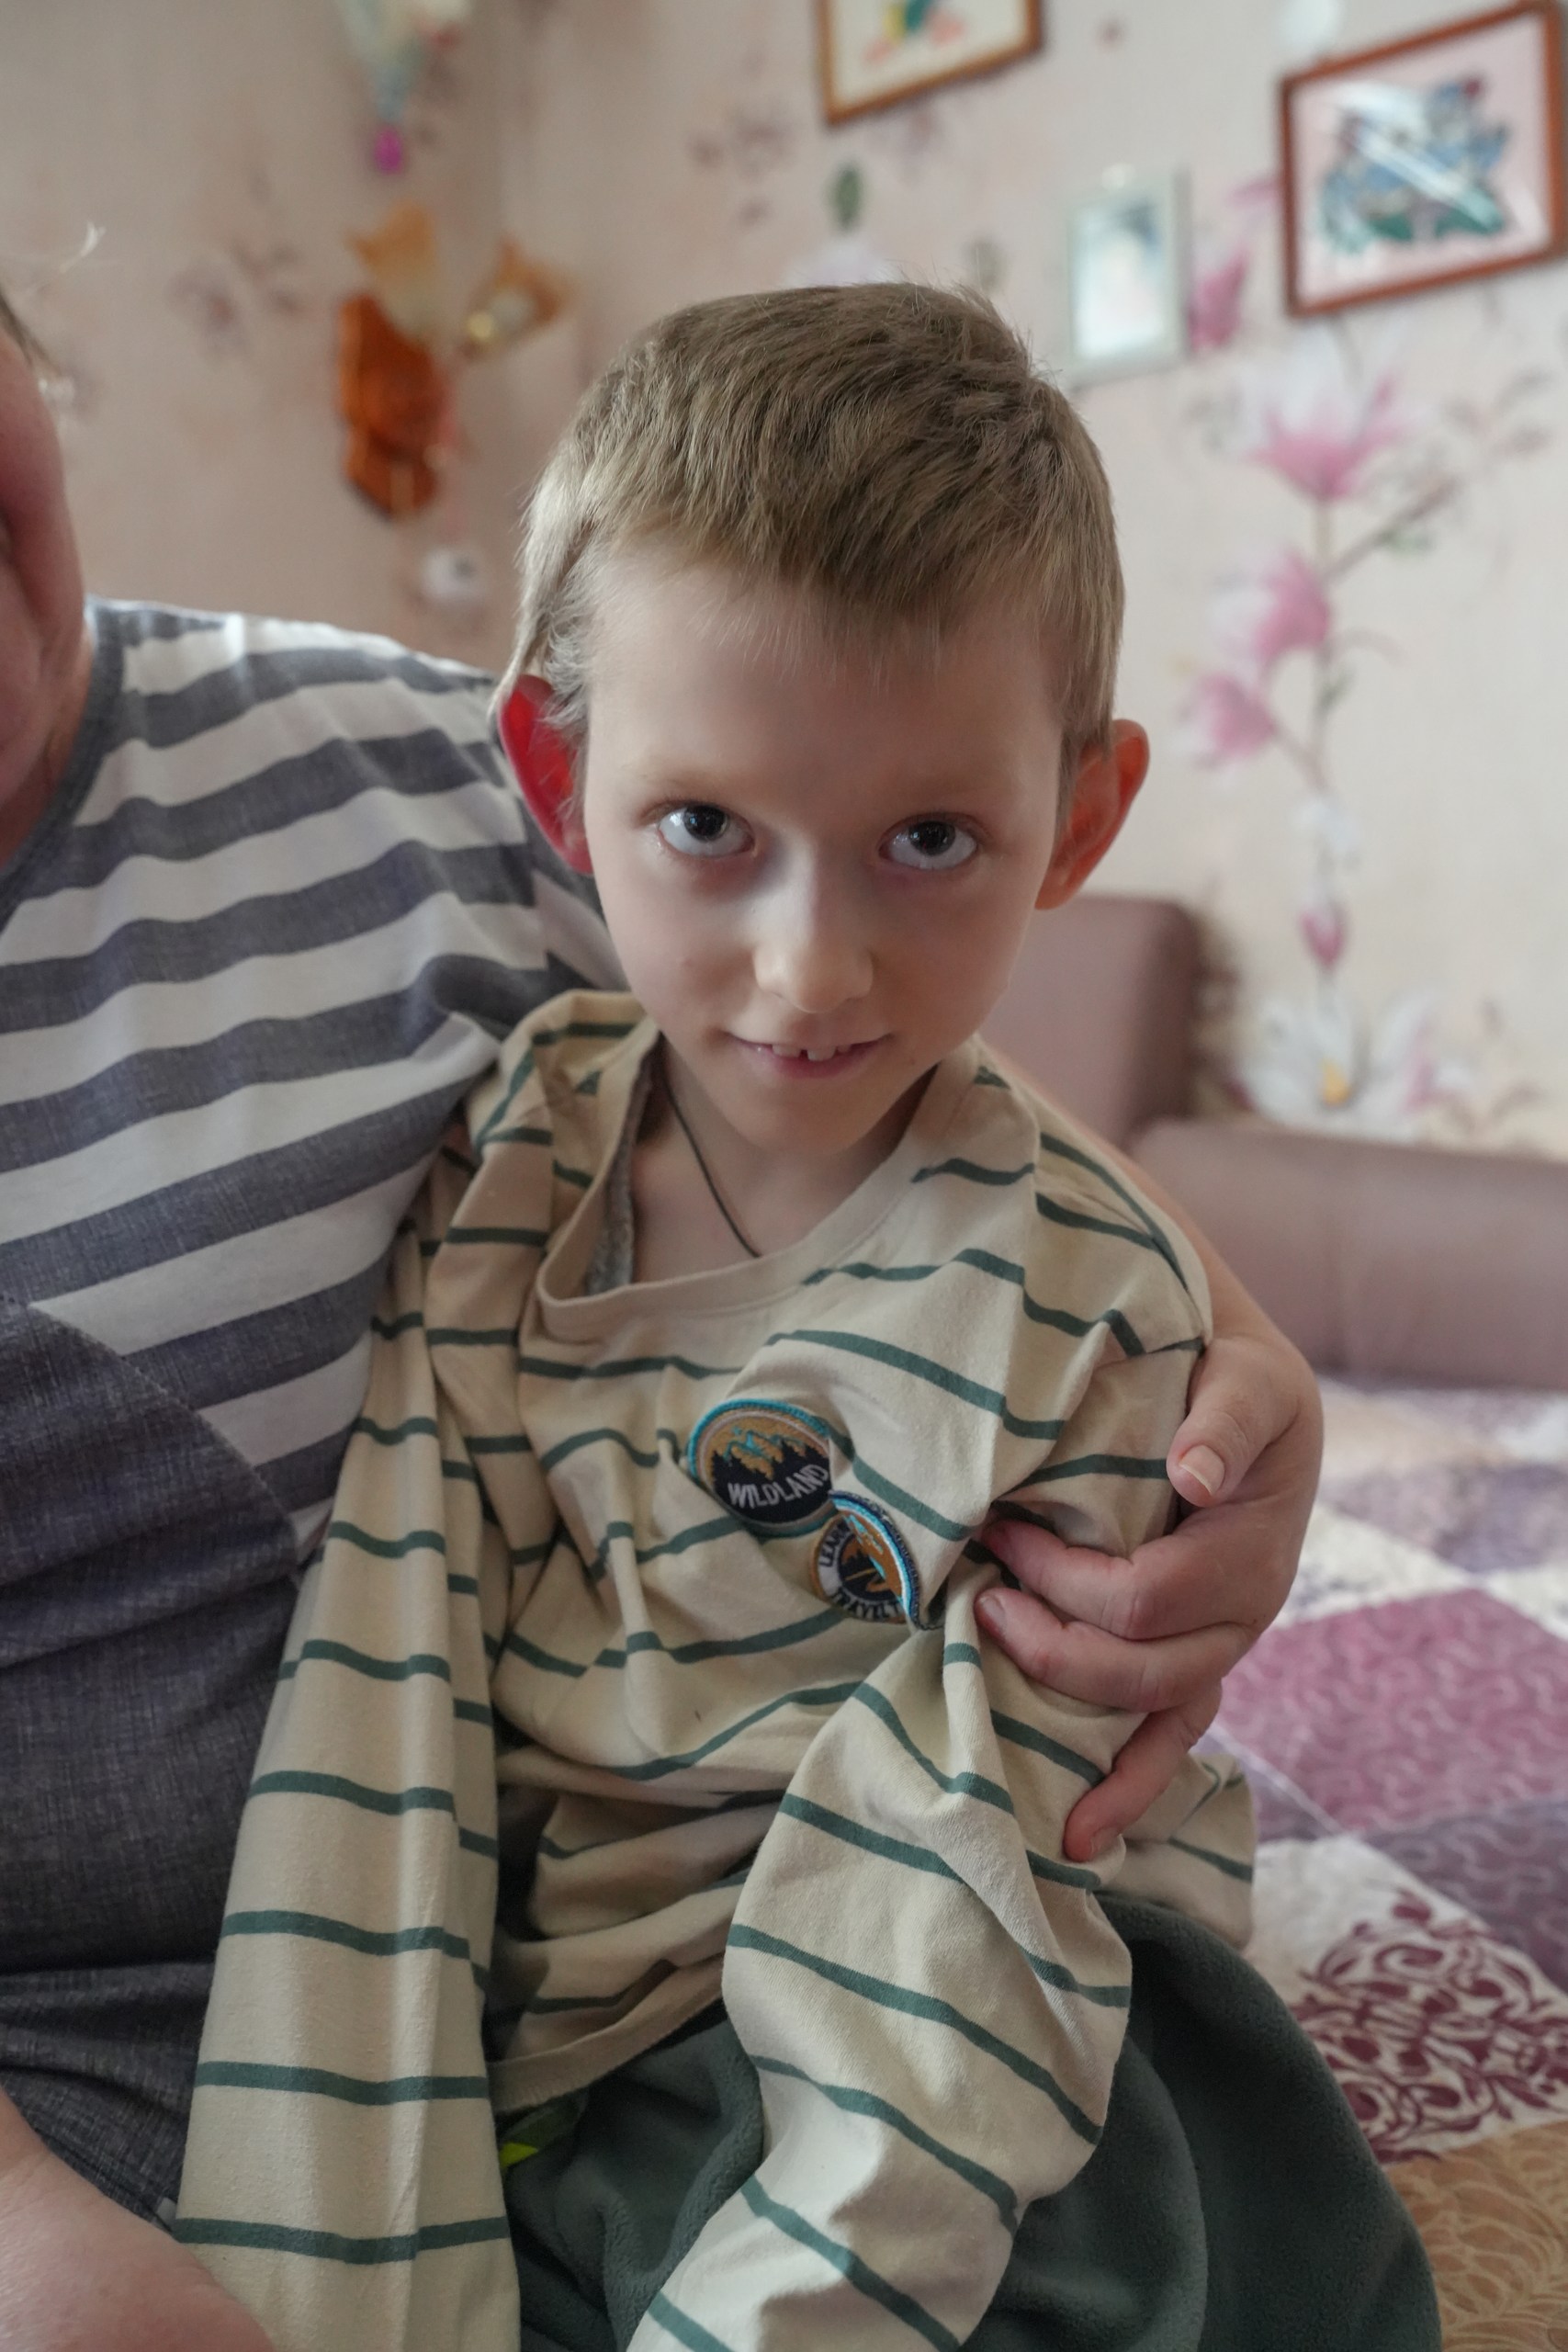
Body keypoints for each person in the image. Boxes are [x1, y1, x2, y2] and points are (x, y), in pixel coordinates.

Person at [0, 277, 1324, 2352]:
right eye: (705, 831)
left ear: (1076, 820)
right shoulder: (522, 1165)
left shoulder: (1071, 1319)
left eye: (930, 841)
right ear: (565, 781)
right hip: (512, 2021)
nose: (808, 971)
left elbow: (975, 1925)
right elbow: (395, 1645)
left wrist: (1245, 1372)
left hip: (948, 2009)